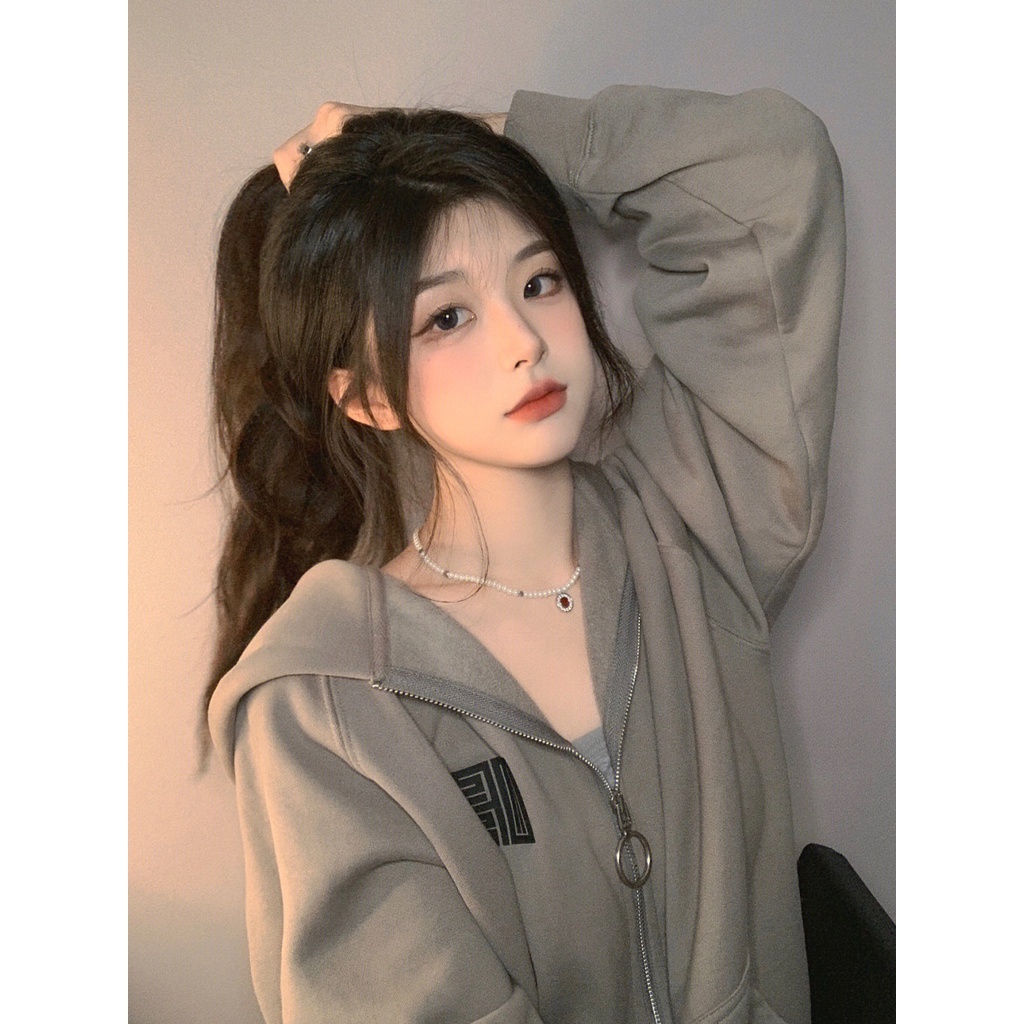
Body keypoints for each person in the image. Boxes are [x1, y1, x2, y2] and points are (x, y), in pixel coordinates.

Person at [206, 84, 845, 1024]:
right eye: (446, 318)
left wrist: (446, 147)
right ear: (367, 397)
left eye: (539, 281)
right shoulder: (324, 705)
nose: (525, 342)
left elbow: (773, 168)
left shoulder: (694, 519)